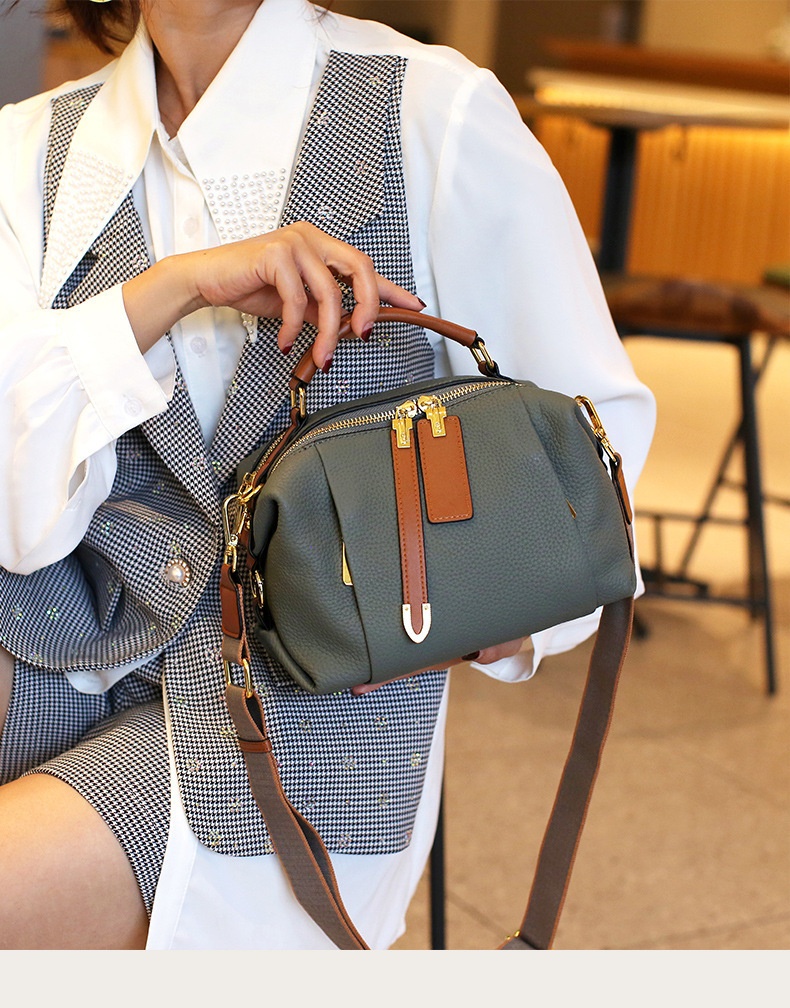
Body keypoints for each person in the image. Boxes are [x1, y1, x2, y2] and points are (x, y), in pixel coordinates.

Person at [0, 0, 655, 950]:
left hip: (301, 731)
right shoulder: (31, 152)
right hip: (52, 637)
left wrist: (472, 605)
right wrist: (165, 291)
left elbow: (597, 448)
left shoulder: (430, 112)